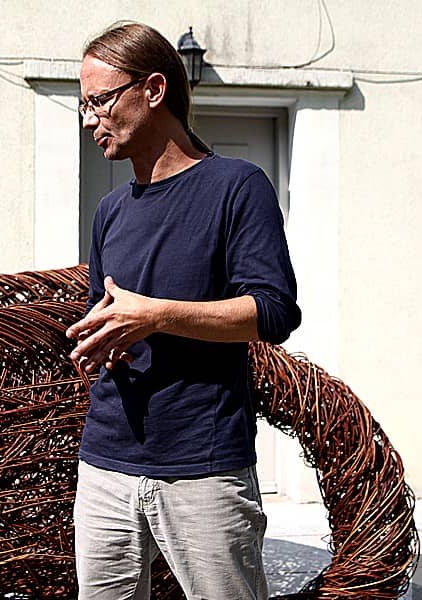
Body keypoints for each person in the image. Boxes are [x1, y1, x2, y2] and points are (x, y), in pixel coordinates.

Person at [65, 21, 301, 600]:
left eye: (100, 100)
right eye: (84, 104)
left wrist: (155, 316)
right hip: (105, 463)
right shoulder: (110, 211)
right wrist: (102, 343)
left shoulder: (238, 187)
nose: (90, 119)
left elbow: (273, 311)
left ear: (153, 89)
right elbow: (110, 313)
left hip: (204, 464)